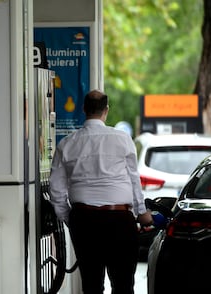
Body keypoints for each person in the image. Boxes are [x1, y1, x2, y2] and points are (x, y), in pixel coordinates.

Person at [49, 89, 153, 294]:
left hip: (84, 220)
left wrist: (72, 219)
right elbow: (134, 181)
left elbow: (56, 191)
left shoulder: (67, 143)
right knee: (123, 285)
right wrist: (142, 213)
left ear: (83, 110)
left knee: (91, 285)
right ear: (106, 110)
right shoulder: (123, 139)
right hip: (120, 220)